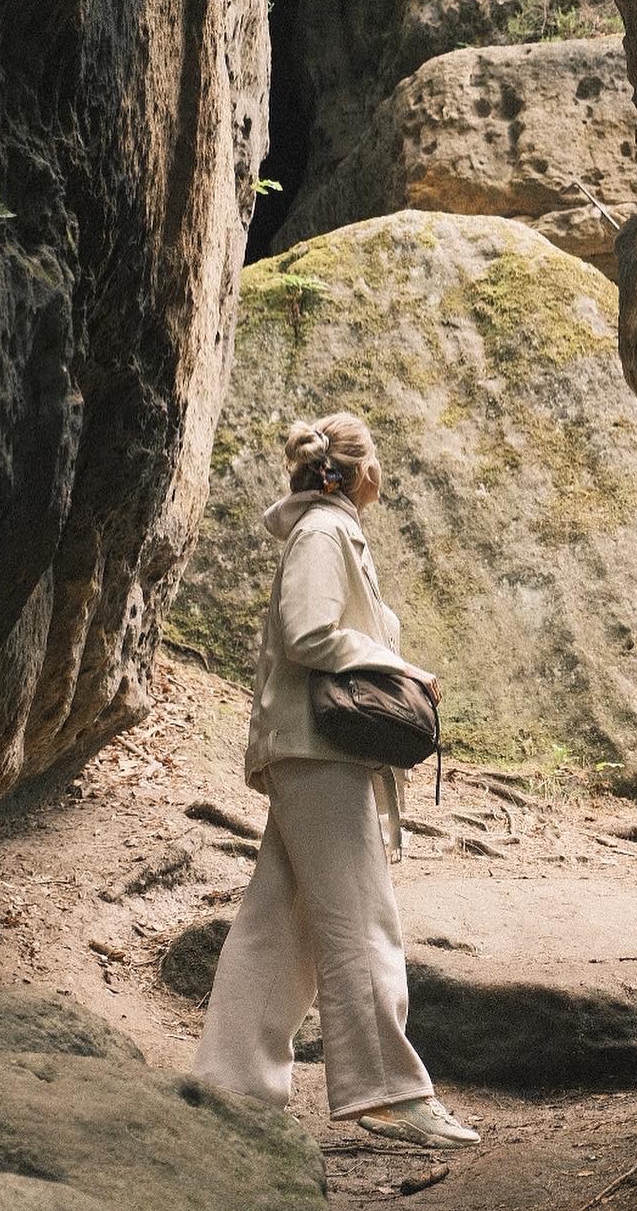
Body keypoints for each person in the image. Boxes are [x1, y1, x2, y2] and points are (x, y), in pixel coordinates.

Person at [193, 411, 479, 1149]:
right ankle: (387, 1091)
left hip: (313, 750)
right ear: (358, 472)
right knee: (361, 917)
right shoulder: (324, 533)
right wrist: (402, 668)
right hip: (320, 754)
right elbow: (309, 633)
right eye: (376, 459)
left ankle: (229, 1087)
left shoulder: (328, 529)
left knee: (279, 923)